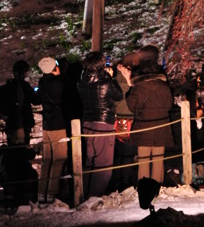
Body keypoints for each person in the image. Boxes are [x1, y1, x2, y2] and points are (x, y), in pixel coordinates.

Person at [77, 51, 123, 197]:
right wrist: (110, 76)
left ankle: (85, 193)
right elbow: (118, 95)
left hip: (87, 124)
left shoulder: (81, 82)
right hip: (103, 124)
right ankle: (95, 196)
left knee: (89, 161)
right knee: (103, 163)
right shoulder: (106, 82)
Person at [126, 56, 174, 186]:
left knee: (143, 160)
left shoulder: (138, 87)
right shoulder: (164, 86)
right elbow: (169, 105)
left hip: (144, 128)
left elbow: (132, 107)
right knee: (159, 160)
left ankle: (144, 189)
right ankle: (157, 186)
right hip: (161, 127)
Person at [36, 56, 67, 203]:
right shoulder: (59, 83)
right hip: (58, 125)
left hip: (46, 125)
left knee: (46, 160)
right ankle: (52, 193)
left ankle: (41, 192)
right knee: (59, 160)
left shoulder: (42, 82)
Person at [0, 59, 39, 145]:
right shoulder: (25, 86)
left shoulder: (6, 87)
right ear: (24, 72)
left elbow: (2, 109)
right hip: (23, 122)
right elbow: (35, 100)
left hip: (11, 124)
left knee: (13, 149)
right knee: (23, 149)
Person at [111, 55, 136, 190]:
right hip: (129, 116)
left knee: (118, 152)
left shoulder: (115, 79)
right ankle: (125, 180)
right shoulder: (130, 80)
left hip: (117, 117)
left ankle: (115, 178)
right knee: (127, 152)